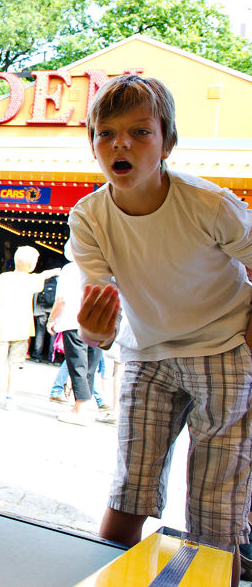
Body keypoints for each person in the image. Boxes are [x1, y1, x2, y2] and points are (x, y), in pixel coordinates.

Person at [70, 74, 252, 586]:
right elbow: (98, 318)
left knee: (215, 513)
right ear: (93, 144)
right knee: (129, 491)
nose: (120, 144)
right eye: (105, 133)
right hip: (146, 354)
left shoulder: (209, 204)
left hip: (223, 348)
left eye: (139, 132)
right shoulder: (89, 218)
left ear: (167, 142)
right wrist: (93, 333)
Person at [0, 246, 59, 410]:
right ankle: (10, 398)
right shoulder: (32, 280)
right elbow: (41, 278)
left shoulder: (3, 277)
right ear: (32, 265)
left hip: (2, 326)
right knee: (14, 365)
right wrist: (54, 272)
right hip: (22, 328)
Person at [47, 239, 102, 426]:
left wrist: (52, 319)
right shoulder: (101, 267)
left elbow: (61, 299)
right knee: (90, 366)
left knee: (77, 365)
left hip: (73, 321)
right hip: (97, 324)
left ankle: (79, 409)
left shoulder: (70, 270)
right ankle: (82, 408)